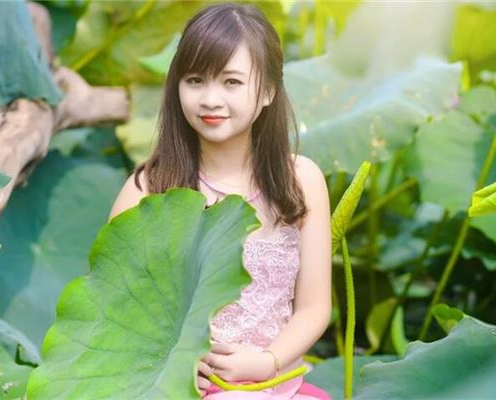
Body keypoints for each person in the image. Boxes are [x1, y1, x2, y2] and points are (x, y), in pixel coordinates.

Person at [109, 3, 332, 399]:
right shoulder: (148, 187)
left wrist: (268, 360)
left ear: (267, 90)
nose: (211, 99)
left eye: (231, 82)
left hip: (278, 384)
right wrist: (173, 361)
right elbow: (113, 302)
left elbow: (314, 308)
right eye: (195, 80)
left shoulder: (301, 180)